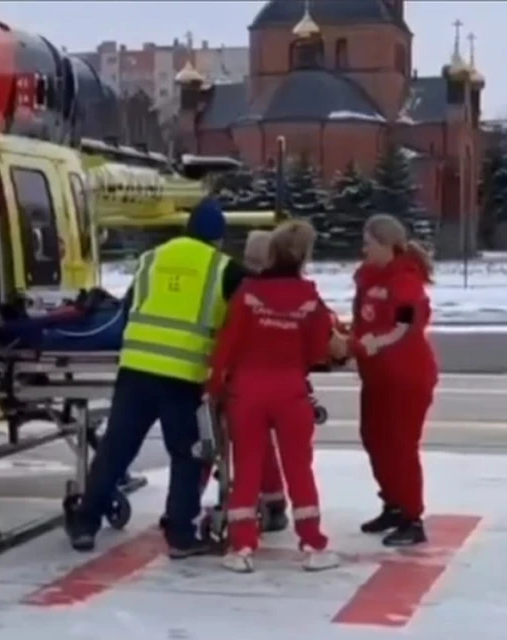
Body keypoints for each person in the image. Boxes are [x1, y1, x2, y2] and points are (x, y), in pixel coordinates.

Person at [65, 197, 248, 558]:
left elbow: (130, 306)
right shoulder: (225, 269)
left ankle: (86, 523)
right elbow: (242, 317)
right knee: (186, 454)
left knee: (117, 449)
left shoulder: (151, 258)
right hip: (183, 375)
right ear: (219, 239)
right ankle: (180, 534)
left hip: (135, 369)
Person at [206, 220, 340, 573]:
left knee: (247, 465)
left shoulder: (247, 293)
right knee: (299, 467)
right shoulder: (310, 298)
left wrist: (216, 388)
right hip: (290, 391)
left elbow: (227, 346)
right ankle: (312, 543)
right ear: (304, 257)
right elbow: (319, 351)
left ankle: (241, 546)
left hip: (246, 392)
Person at [340, 214, 437, 547]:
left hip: (405, 377)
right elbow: (362, 321)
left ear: (386, 245)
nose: (364, 248)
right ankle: (393, 503)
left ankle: (412, 516)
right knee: (374, 438)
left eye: (369, 242)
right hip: (377, 376)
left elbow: (405, 326)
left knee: (400, 445)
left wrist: (374, 343)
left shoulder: (405, 281)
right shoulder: (368, 279)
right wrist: (349, 337)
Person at [241, 230, 289, 534]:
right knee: (266, 447)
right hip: (281, 382)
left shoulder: (242, 291)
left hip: (246, 383)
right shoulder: (288, 290)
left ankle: (186, 506)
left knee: (213, 443)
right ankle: (274, 503)